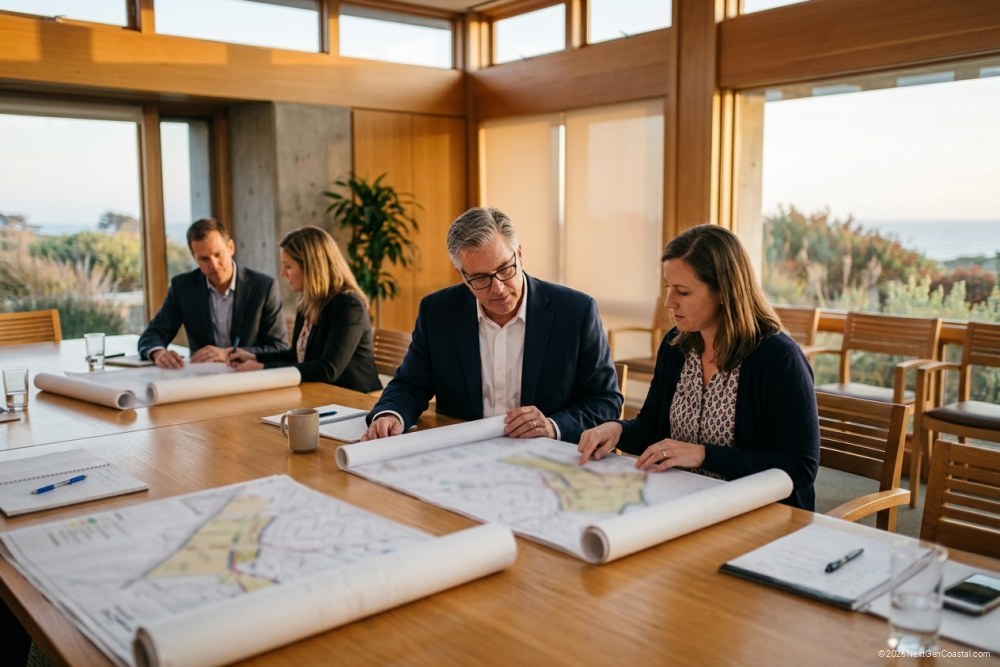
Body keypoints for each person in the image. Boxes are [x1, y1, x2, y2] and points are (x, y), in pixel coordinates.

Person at [577, 224, 819, 510]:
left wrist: (703, 455)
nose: (669, 302)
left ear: (724, 292)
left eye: (682, 292)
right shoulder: (676, 346)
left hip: (759, 512)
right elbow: (651, 428)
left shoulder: (778, 357)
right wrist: (617, 430)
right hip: (687, 501)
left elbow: (800, 467)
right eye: (668, 288)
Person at [360, 206, 622, 444]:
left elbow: (605, 400)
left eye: (505, 269)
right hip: (464, 453)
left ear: (519, 254)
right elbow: (411, 384)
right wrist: (392, 414)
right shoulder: (437, 312)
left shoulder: (575, 311)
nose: (497, 288)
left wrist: (553, 426)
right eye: (481, 278)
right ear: (462, 275)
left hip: (546, 456)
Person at [229, 226, 381, 392]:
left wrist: (263, 368)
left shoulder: (348, 306)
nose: (282, 273)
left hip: (354, 400)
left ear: (310, 267)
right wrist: (254, 357)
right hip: (320, 394)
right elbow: (295, 356)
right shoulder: (307, 302)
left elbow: (328, 369)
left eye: (288, 266)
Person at [138, 218, 288, 368]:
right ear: (194, 257)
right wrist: (159, 353)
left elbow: (278, 348)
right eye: (204, 259)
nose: (213, 265)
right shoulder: (183, 288)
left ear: (231, 247)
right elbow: (152, 335)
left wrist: (229, 353)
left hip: (249, 377)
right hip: (203, 379)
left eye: (218, 255)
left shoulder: (263, 287)